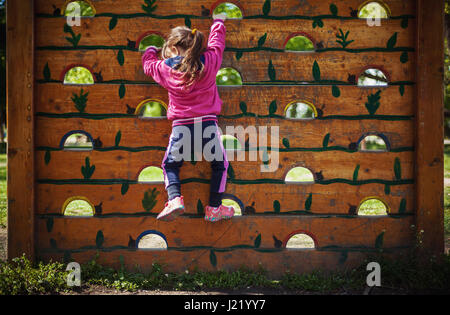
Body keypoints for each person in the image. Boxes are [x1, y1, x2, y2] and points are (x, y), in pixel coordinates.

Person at [141, 13, 235, 222]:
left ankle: (175, 200)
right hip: (208, 125)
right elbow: (217, 44)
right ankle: (214, 208)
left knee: (170, 165)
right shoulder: (209, 61)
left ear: (174, 48)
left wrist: (149, 50)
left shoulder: (165, 68)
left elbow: (148, 65)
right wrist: (218, 23)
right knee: (220, 165)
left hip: (181, 127)